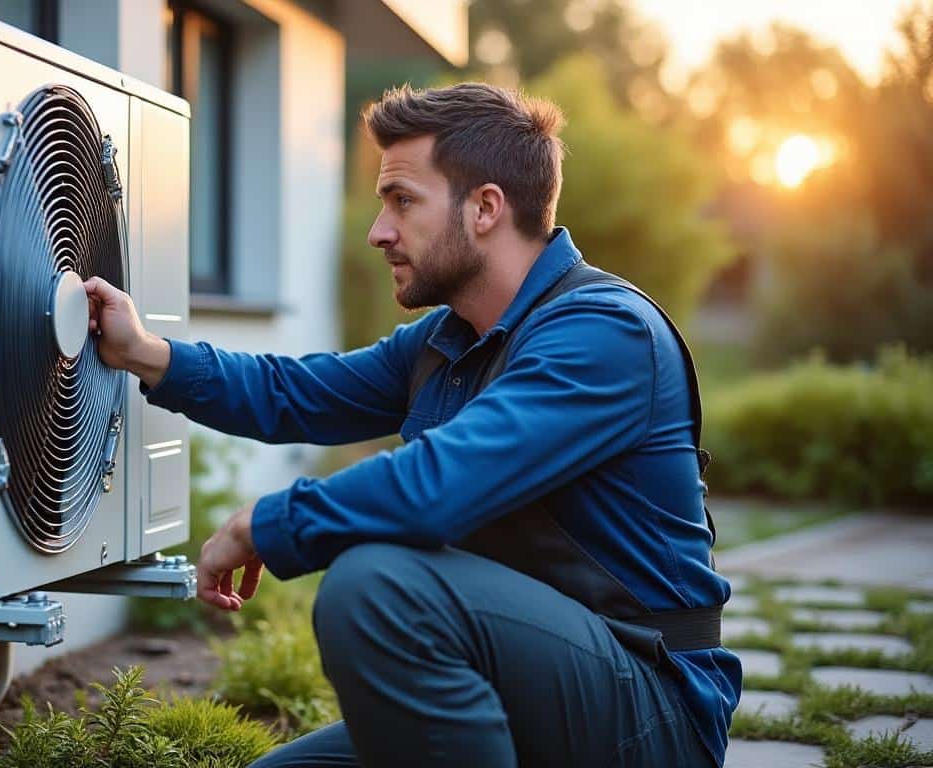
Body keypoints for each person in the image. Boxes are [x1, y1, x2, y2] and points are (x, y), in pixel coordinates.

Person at [83, 82, 740, 768]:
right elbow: (298, 392)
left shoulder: (605, 335)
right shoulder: (448, 341)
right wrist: (145, 353)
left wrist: (265, 525)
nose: (379, 232)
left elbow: (437, 486)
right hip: (519, 690)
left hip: (648, 712)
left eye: (402, 201)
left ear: (485, 207)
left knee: (378, 585)